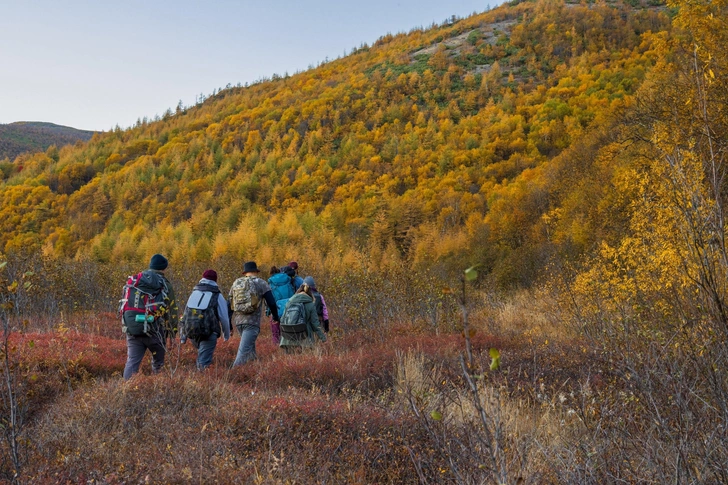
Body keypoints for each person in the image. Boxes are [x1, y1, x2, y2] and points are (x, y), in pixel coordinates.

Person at [122, 253, 179, 380]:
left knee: (132, 362)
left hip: (133, 329)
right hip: (155, 330)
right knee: (158, 364)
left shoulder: (135, 281)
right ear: (164, 268)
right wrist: (172, 333)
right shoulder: (164, 284)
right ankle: (156, 390)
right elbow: (171, 311)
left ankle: (125, 390)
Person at [229, 261, 279, 366]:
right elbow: (271, 303)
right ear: (256, 271)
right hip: (252, 323)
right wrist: (275, 316)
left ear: (245, 273)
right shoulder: (261, 283)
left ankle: (255, 370)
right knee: (242, 355)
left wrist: (229, 324)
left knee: (249, 351)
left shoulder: (236, 283)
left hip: (239, 322)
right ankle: (231, 376)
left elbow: (229, 304)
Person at [180, 269, 230, 370]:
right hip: (209, 333)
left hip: (192, 332)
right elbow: (224, 317)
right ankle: (200, 382)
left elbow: (185, 315)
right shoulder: (217, 295)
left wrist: (183, 337)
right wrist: (226, 335)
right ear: (215, 281)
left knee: (201, 357)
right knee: (203, 362)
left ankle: (196, 380)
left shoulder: (194, 293)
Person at [279, 283, 327, 353]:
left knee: (290, 362)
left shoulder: (289, 302)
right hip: (304, 338)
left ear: (298, 291)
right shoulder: (310, 304)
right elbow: (315, 324)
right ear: (310, 294)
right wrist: (323, 338)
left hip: (288, 337)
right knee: (304, 359)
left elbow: (282, 320)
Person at [268, 266, 295, 345]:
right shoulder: (288, 279)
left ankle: (276, 344)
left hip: (276, 307)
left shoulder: (271, 282)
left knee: (275, 326)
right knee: (288, 327)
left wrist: (268, 311)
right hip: (289, 305)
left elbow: (270, 297)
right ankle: (289, 344)